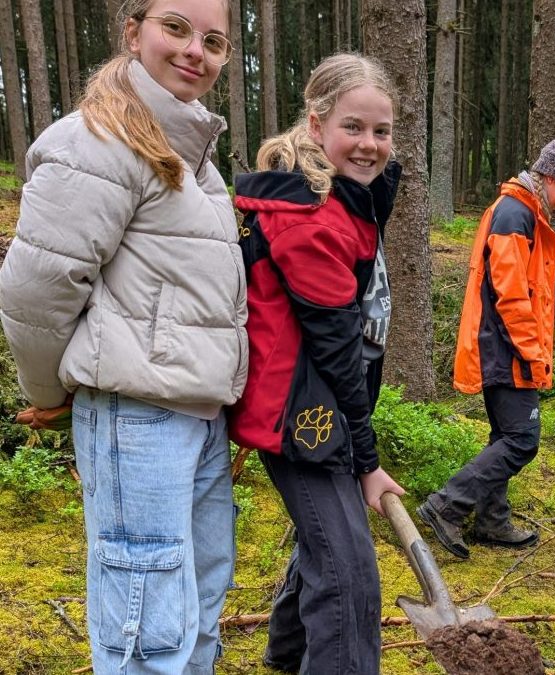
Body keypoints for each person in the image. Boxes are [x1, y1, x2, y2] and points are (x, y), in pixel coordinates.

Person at [0, 0, 246, 671]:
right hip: (136, 421)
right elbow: (35, 288)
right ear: (133, 32)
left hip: (197, 421)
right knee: (146, 627)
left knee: (195, 607)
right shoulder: (99, 142)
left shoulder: (193, 156)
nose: (197, 50)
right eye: (177, 28)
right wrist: (50, 392)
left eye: (214, 40)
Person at [228, 53, 405, 674]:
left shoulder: (345, 197)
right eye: (352, 128)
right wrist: (368, 460)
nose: (369, 144)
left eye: (381, 131)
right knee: (350, 576)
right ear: (315, 125)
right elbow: (335, 349)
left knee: (329, 542)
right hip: (300, 415)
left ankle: (287, 654)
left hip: (319, 400)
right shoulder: (311, 219)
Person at [417, 137, 555, 559]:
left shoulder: (523, 211)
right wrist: (532, 353)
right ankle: (446, 506)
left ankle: (492, 522)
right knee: (522, 440)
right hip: (505, 348)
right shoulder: (515, 214)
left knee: (505, 435)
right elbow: (512, 297)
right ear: (554, 177)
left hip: (503, 344)